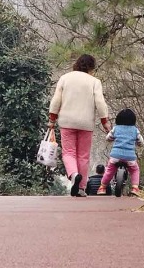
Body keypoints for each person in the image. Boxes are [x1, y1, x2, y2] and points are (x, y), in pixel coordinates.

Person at [48, 54, 111, 197]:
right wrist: (105, 122)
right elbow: (100, 103)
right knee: (83, 155)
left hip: (66, 121)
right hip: (86, 123)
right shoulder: (94, 81)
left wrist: (52, 119)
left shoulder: (65, 78)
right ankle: (82, 188)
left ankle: (74, 174)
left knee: (68, 152)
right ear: (91, 67)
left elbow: (56, 100)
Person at [97, 108, 144, 196]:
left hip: (116, 156)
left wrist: (112, 138)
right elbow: (141, 141)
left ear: (118, 119)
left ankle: (102, 187)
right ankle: (135, 188)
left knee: (109, 170)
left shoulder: (116, 129)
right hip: (130, 157)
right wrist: (139, 144)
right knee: (134, 170)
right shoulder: (135, 130)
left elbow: (108, 138)